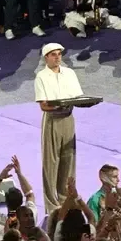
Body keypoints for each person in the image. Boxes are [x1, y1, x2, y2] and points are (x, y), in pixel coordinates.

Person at [34, 42, 83, 211]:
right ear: (46, 57)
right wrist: (58, 107)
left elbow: (77, 97)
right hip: (52, 120)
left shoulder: (69, 73)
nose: (57, 57)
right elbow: (43, 105)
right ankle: (51, 205)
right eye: (53, 55)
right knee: (51, 162)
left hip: (68, 118)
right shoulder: (41, 77)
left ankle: (66, 200)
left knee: (69, 159)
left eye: (59, 54)